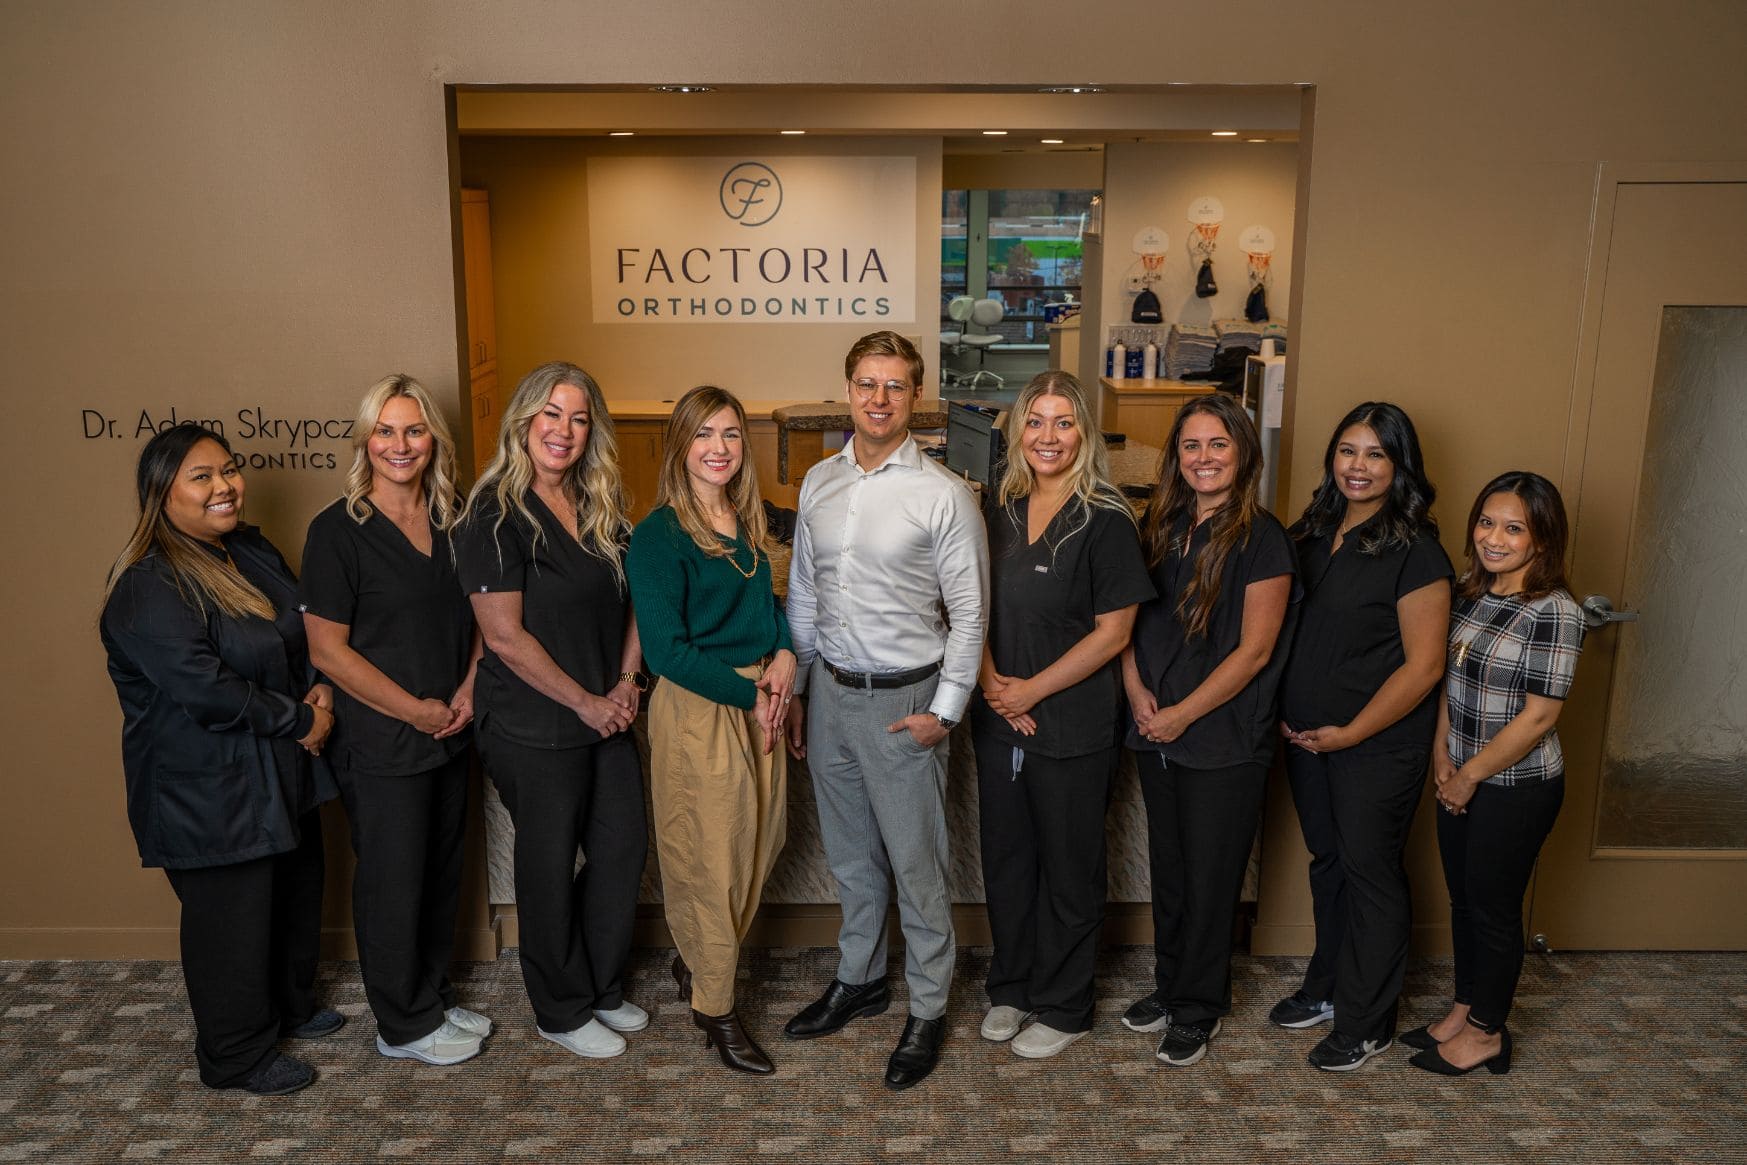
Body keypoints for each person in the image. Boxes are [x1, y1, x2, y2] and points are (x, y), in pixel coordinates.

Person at [100, 423, 341, 1097]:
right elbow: (206, 690)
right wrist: (302, 718)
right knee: (230, 922)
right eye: (200, 477)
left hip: (279, 768)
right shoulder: (148, 587)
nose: (223, 485)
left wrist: (317, 684)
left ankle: (289, 1007)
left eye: (227, 469)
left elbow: (298, 631)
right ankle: (233, 1055)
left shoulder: (249, 548)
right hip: (208, 789)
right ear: (161, 494)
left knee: (292, 893)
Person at [782, 330, 988, 1090]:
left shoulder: (942, 494)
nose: (878, 398)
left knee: (916, 866)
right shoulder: (817, 482)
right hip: (832, 693)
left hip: (907, 700)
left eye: (894, 386)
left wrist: (945, 710)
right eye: (866, 384)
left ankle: (928, 1005)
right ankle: (861, 977)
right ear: (847, 391)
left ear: (915, 396)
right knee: (851, 857)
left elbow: (968, 614)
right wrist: (801, 690)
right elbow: (804, 592)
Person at [453, 360, 648, 1061]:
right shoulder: (493, 514)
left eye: (578, 417)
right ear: (523, 421)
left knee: (623, 847)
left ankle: (597, 984)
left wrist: (627, 681)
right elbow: (504, 636)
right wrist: (586, 702)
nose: (563, 430)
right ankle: (559, 1008)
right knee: (545, 864)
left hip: (607, 714)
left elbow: (636, 602)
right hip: (533, 724)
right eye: (550, 415)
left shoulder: (600, 503)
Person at [299, 374, 489, 1067]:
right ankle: (402, 1023)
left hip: (450, 728)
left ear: (432, 437)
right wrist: (413, 709)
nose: (399, 444)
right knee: (392, 877)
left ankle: (430, 994)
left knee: (440, 871)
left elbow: (478, 613)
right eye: (385, 430)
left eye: (413, 429)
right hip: (380, 739)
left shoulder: (454, 516)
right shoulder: (336, 531)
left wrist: (467, 688)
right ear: (365, 440)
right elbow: (327, 649)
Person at [973, 371, 1154, 1060]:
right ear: (1017, 430)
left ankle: (1065, 1002)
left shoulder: (1105, 519)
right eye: (1035, 421)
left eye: (1063, 423)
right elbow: (973, 604)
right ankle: (1012, 986)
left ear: (1083, 434)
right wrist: (992, 682)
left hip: (1072, 723)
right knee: (1008, 859)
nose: (1047, 437)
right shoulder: (1001, 509)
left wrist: (1030, 691)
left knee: (1069, 867)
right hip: (998, 718)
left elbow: (1113, 632)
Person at [1272, 402, 1452, 1071]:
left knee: (1369, 872)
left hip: (1375, 744)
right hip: (1308, 739)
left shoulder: (1415, 552)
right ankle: (1327, 985)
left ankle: (1367, 1019)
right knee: (1329, 863)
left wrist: (1349, 732)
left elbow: (1424, 665)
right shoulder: (1313, 530)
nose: (1357, 466)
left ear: (1399, 466)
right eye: (1347, 450)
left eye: (1375, 454)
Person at [1120, 393, 1297, 1068]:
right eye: (1190, 446)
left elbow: (1253, 651)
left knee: (1211, 874)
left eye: (1217, 444)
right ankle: (1171, 987)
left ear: (1242, 452)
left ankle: (1198, 1007)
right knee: (1169, 868)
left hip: (1221, 737)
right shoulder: (1160, 524)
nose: (1202, 458)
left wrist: (1180, 712)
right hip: (1152, 727)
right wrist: (1137, 694)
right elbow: (1129, 620)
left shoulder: (1264, 539)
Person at [626, 385, 797, 1075]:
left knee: (761, 841)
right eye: (703, 435)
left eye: (729, 434)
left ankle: (694, 958)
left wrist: (785, 654)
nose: (718, 448)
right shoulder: (658, 534)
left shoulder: (745, 519)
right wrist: (751, 691)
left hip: (761, 694)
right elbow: (665, 652)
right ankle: (716, 1010)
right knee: (712, 860)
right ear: (680, 447)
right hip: (704, 706)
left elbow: (771, 609)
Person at [1406, 471, 1584, 1076]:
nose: (1495, 538)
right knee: (1464, 901)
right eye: (1487, 522)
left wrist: (1468, 776)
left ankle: (1486, 1033)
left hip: (1517, 787)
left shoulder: (1556, 612)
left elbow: (1538, 718)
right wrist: (1441, 757)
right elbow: (1446, 684)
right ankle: (1464, 1007)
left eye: (1514, 529)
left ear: (1542, 540)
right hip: (1458, 771)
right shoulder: (1470, 591)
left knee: (1494, 907)